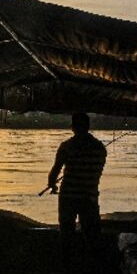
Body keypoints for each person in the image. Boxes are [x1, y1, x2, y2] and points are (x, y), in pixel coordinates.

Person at [45, 112, 107, 261]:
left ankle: (67, 265)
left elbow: (55, 171)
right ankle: (92, 265)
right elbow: (97, 172)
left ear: (73, 127)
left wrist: (52, 185)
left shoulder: (66, 146)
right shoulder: (100, 148)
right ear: (88, 127)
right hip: (89, 197)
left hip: (68, 197)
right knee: (91, 234)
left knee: (66, 232)